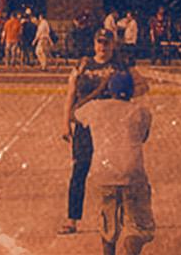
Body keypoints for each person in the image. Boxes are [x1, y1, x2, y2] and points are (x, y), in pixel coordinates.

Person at [73, 69, 155, 255]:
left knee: (108, 226)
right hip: (132, 172)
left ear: (110, 89)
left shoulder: (95, 108)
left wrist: (99, 89)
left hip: (104, 172)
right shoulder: (141, 112)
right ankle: (130, 247)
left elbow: (74, 112)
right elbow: (143, 137)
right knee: (139, 226)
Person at [62, 28, 135, 236]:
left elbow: (139, 88)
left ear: (113, 45)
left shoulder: (119, 66)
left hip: (109, 128)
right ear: (94, 43)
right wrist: (65, 123)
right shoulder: (83, 64)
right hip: (84, 127)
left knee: (115, 173)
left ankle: (118, 218)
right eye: (99, 42)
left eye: (106, 42)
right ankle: (72, 219)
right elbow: (70, 94)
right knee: (79, 171)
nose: (102, 46)